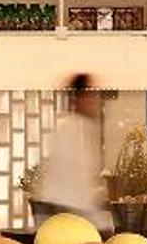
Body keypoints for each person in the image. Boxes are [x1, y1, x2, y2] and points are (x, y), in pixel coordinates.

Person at [34, 74, 112, 234]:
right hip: (61, 212)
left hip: (67, 212)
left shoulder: (84, 128)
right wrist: (99, 225)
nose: (97, 102)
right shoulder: (71, 130)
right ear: (78, 99)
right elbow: (73, 190)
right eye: (92, 96)